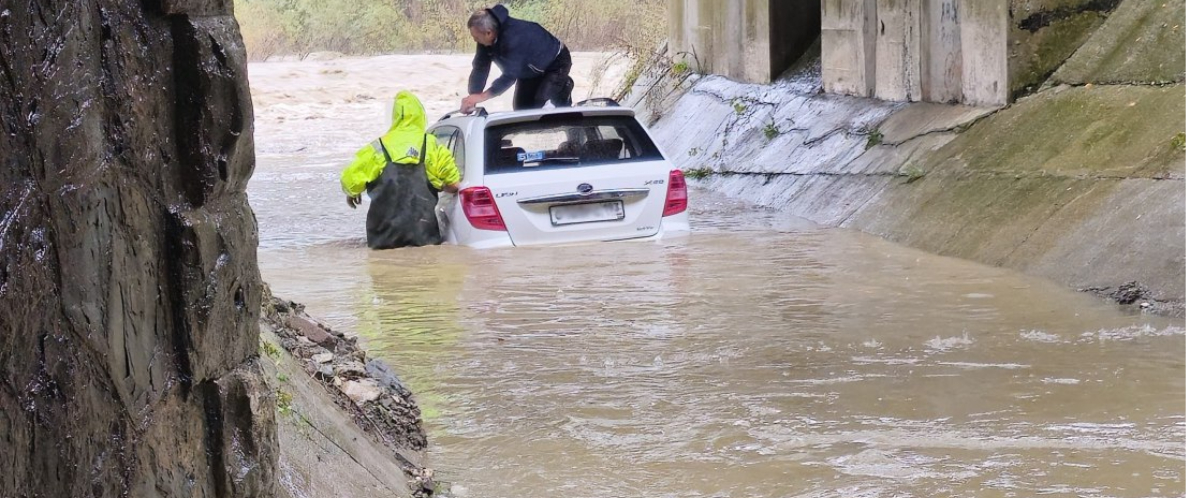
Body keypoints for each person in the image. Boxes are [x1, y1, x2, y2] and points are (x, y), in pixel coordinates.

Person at [341, 91, 461, 250]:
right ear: (420, 115)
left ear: (395, 117)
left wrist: (352, 192)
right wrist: (439, 185)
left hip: (383, 235)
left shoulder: (378, 147)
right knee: (428, 271)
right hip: (423, 233)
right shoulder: (432, 145)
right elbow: (454, 185)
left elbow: (350, 181)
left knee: (384, 271)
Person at [461, 4, 574, 113]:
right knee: (522, 110)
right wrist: (473, 97)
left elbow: (509, 77)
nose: (475, 40)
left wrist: (482, 96)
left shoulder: (513, 38)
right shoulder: (484, 39)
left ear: (488, 33)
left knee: (540, 107)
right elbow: (480, 68)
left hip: (556, 62)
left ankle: (564, 86)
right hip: (528, 69)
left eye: (475, 37)